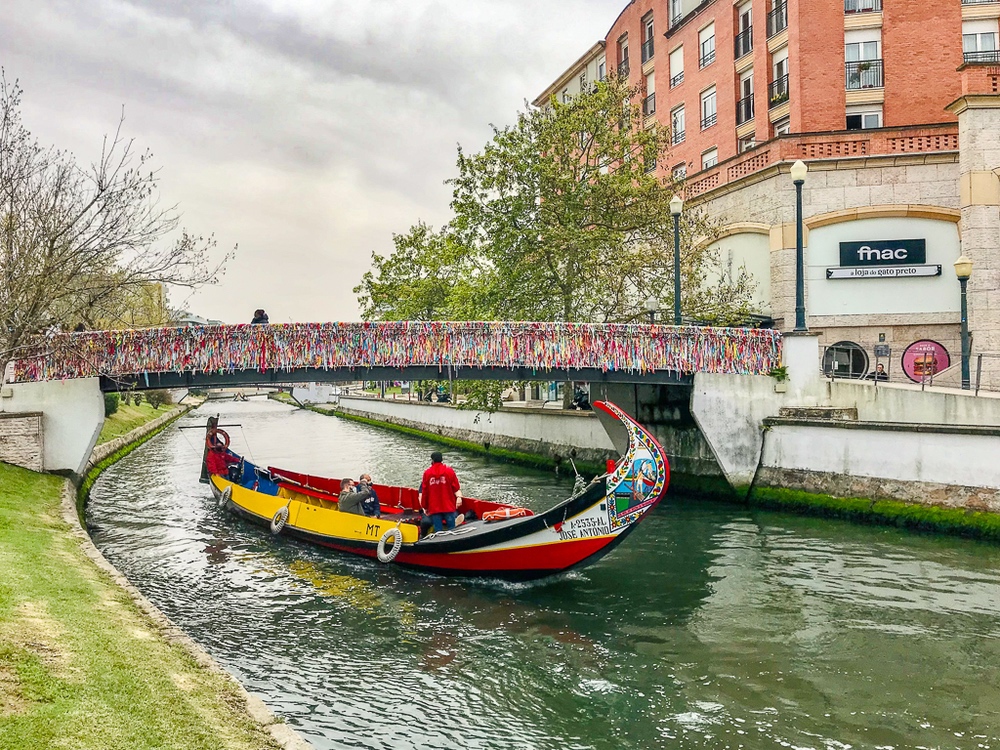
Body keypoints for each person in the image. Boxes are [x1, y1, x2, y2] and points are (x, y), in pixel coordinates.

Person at [418, 451, 463, 534]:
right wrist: (459, 498)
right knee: (452, 530)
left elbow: (425, 492)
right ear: (442, 459)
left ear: (432, 461)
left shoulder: (427, 473)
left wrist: (425, 506)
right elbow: (456, 487)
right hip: (448, 505)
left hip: (434, 507)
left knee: (438, 531)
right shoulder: (449, 471)